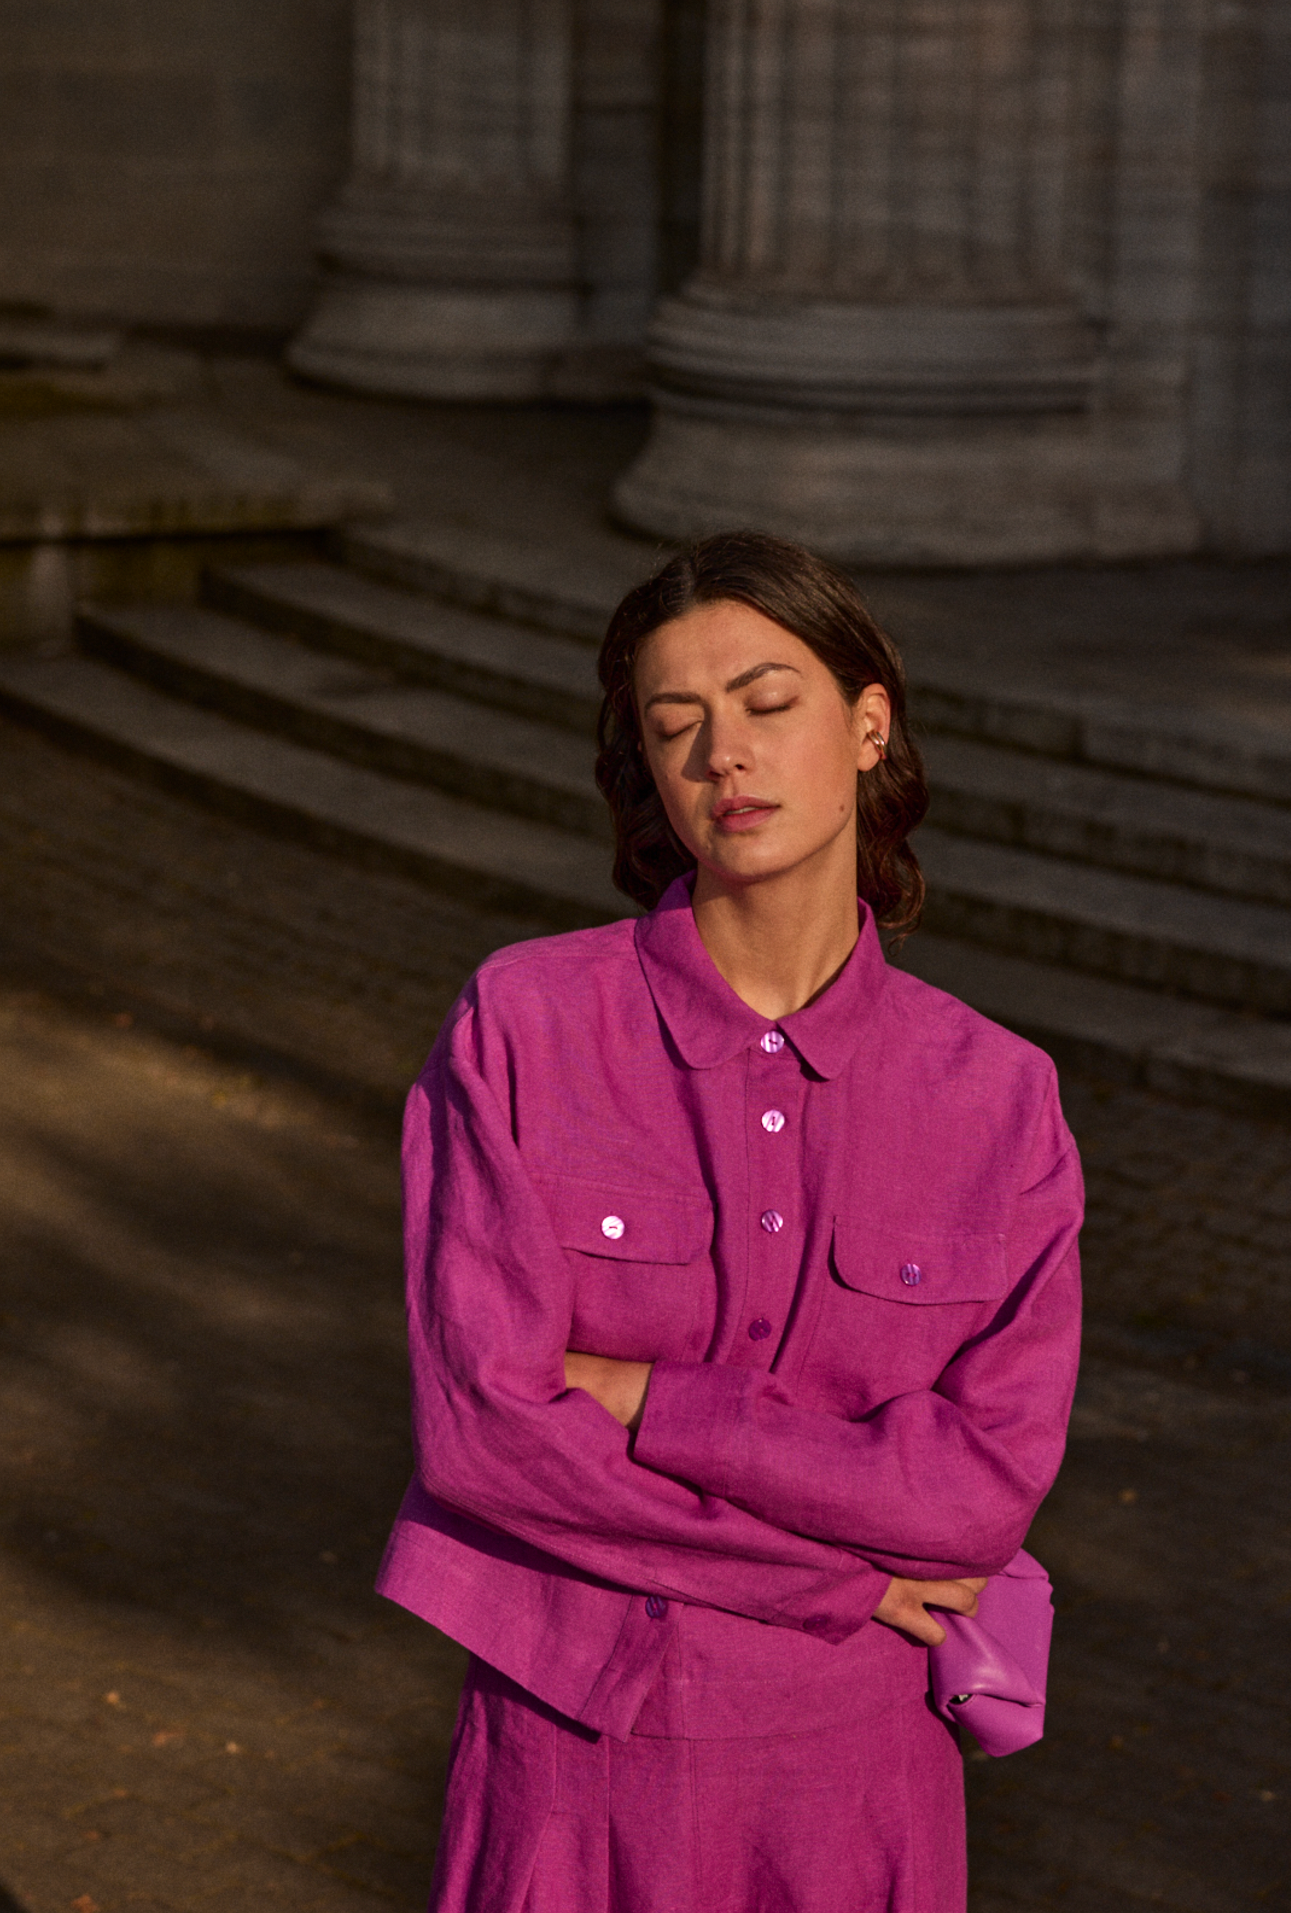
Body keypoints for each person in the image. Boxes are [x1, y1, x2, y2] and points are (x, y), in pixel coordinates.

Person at [377, 531, 1083, 1912]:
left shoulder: (998, 1096)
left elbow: (979, 1496)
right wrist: (832, 1579)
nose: (723, 756)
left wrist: (649, 1399)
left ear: (868, 724)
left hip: (853, 1777)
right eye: (674, 724)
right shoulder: (525, 1023)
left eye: (767, 703)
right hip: (566, 1762)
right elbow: (483, 1440)